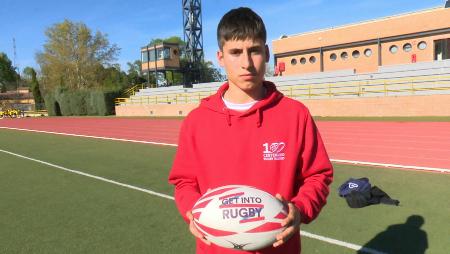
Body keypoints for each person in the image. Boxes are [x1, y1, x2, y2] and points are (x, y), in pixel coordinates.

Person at [168, 7, 333, 254]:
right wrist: (194, 210)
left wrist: (300, 208)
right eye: (235, 52)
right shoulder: (196, 121)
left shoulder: (295, 115)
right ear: (220, 57)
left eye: (254, 50)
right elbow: (184, 182)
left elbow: (318, 176)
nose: (246, 63)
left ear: (266, 53)